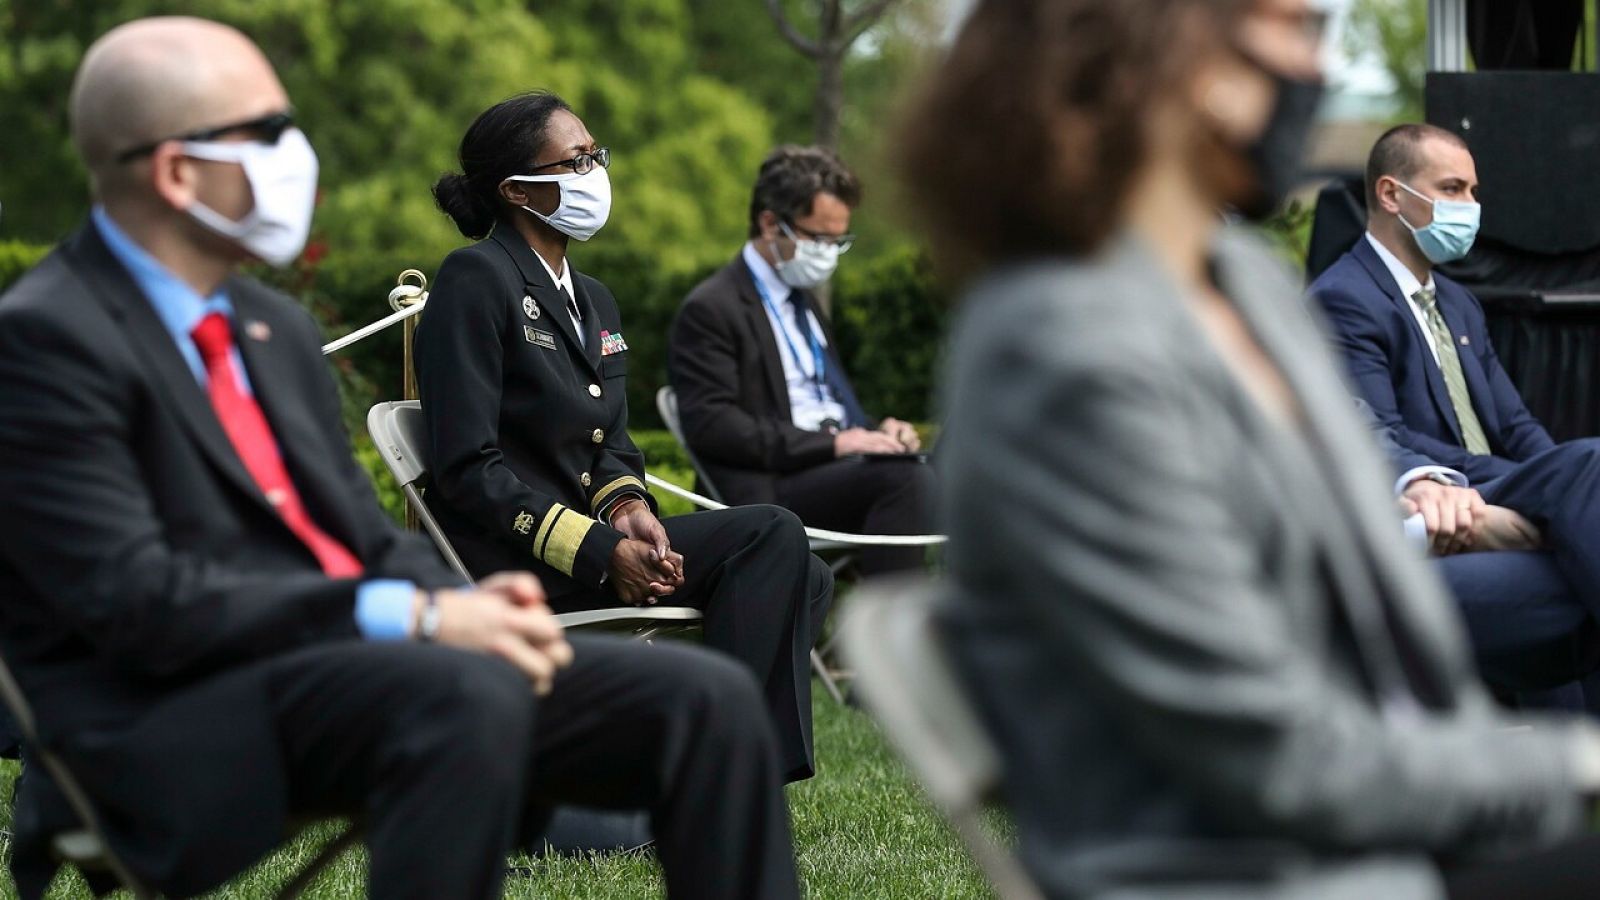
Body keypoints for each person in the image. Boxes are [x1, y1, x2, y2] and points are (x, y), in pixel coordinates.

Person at [0, 18, 800, 900]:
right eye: (267, 134)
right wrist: (412, 619)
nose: (296, 155)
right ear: (176, 170)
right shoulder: (48, 339)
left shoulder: (274, 330)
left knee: (705, 702)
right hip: (163, 715)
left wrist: (464, 602)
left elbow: (354, 532)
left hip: (347, 676)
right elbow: (134, 598)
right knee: (462, 697)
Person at [904, 0, 1600, 897]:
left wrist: (1492, 526)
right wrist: (1570, 767)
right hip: (1247, 870)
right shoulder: (1060, 345)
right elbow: (1278, 760)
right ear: (1158, 49)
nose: (1319, 66)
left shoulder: (1247, 287)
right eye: (1295, 26)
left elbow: (1365, 588)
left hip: (1375, 831)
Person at [413, 93, 831, 784]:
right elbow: (467, 468)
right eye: (576, 161)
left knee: (806, 575)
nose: (594, 173)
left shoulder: (594, 297)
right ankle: (721, 768)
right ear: (517, 190)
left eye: (594, 155)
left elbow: (608, 441)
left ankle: (701, 764)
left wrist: (628, 510)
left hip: (592, 543)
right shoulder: (476, 279)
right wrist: (605, 552)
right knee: (772, 535)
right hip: (516, 560)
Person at [1310, 124, 1600, 623]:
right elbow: (1384, 433)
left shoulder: (1459, 301)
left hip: (1491, 484)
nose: (1469, 206)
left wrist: (1557, 485)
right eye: (1451, 189)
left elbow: (1515, 425)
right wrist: (1541, 482)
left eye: (1471, 191)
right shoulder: (1345, 298)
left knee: (1583, 483)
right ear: (1390, 195)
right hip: (1441, 495)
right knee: (1589, 467)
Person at [669, 146, 935, 576]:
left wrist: (875, 431)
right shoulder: (712, 307)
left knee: (952, 465)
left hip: (834, 471)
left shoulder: (804, 302)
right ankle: (886, 637)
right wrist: (836, 443)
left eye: (839, 241)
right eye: (819, 239)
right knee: (906, 481)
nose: (829, 253)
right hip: (773, 489)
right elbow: (713, 427)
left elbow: (824, 406)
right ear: (771, 223)